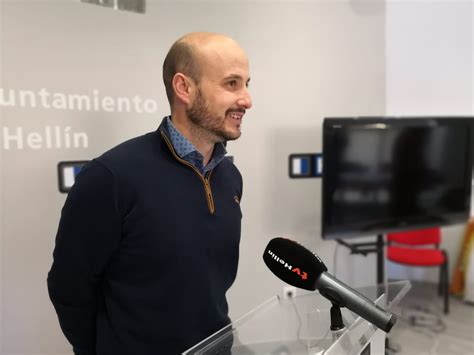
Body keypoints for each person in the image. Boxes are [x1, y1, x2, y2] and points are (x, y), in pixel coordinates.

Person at [47, 32, 252, 355]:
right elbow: (69, 288)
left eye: (246, 84)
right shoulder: (112, 177)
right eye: (231, 84)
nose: (246, 99)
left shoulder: (229, 177)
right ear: (184, 88)